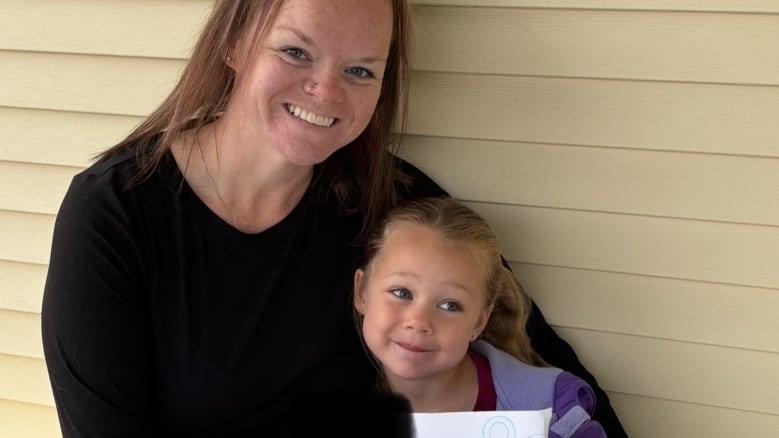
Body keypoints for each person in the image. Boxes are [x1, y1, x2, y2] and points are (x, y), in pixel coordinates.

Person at [40, 0, 627, 436]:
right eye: (296, 51)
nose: (324, 92)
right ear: (235, 43)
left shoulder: (389, 201)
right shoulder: (116, 214)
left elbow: (538, 359)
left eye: (360, 70)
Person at [352, 197, 607, 438]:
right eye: (401, 292)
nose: (418, 321)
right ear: (362, 292)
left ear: (479, 321)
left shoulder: (550, 411)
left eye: (450, 305)